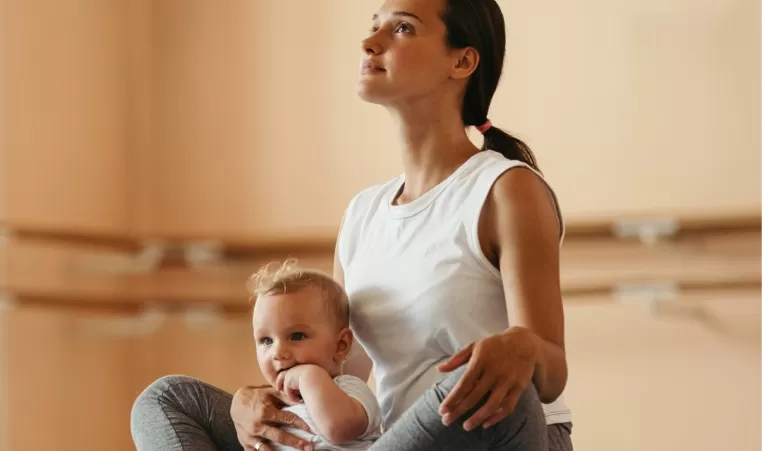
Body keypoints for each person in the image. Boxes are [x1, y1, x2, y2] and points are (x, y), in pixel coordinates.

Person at [130, 0, 573, 450]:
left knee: (486, 392)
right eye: (374, 26)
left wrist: (524, 347)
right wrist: (256, 403)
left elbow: (551, 374)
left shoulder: (506, 190)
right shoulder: (364, 212)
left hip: (495, 434)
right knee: (167, 399)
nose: (369, 42)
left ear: (462, 60)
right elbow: (341, 369)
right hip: (386, 439)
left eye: (401, 29)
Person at [247, 261, 382, 450]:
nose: (278, 353)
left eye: (296, 336)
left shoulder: (349, 389)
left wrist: (308, 377)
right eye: (267, 341)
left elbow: (338, 428)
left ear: (340, 345)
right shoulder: (272, 407)